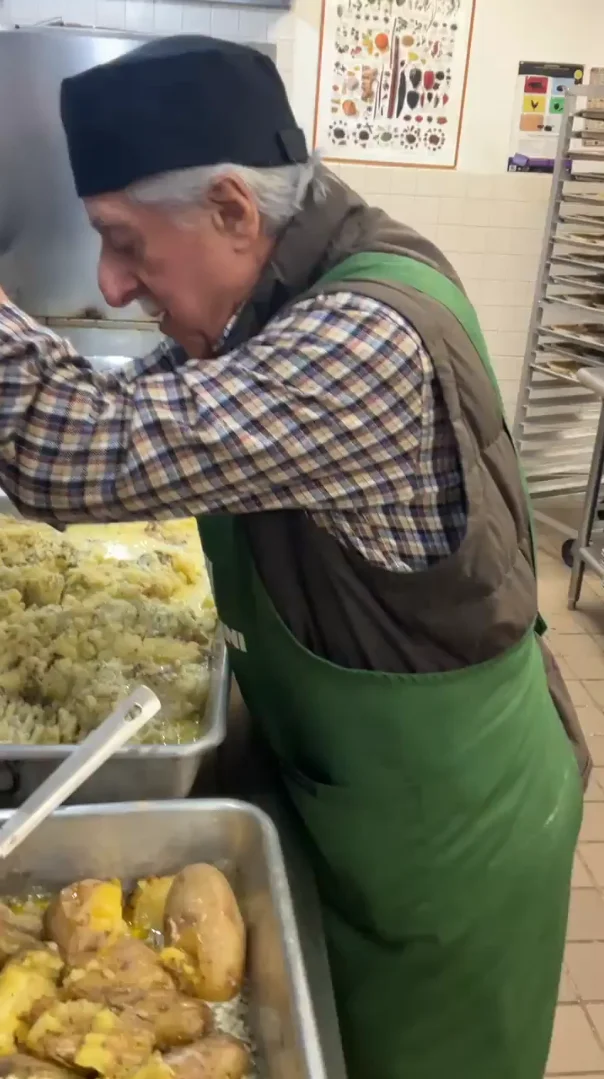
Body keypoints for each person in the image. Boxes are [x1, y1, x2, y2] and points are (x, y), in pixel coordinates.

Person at [0, 34, 590, 1079]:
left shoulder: (363, 337)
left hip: (447, 840)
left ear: (234, 209)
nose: (112, 284)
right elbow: (139, 407)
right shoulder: (279, 292)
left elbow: (78, 448)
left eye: (127, 244)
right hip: (361, 797)